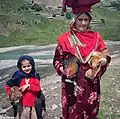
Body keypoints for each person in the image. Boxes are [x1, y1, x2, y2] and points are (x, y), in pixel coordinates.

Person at [53, 12, 111, 119]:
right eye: (80, 19)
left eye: (86, 20)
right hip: (71, 83)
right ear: (75, 20)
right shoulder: (66, 38)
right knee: (72, 111)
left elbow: (106, 57)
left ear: (89, 21)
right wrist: (64, 70)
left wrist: (96, 71)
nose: (83, 23)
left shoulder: (96, 37)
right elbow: (57, 59)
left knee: (89, 110)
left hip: (90, 81)